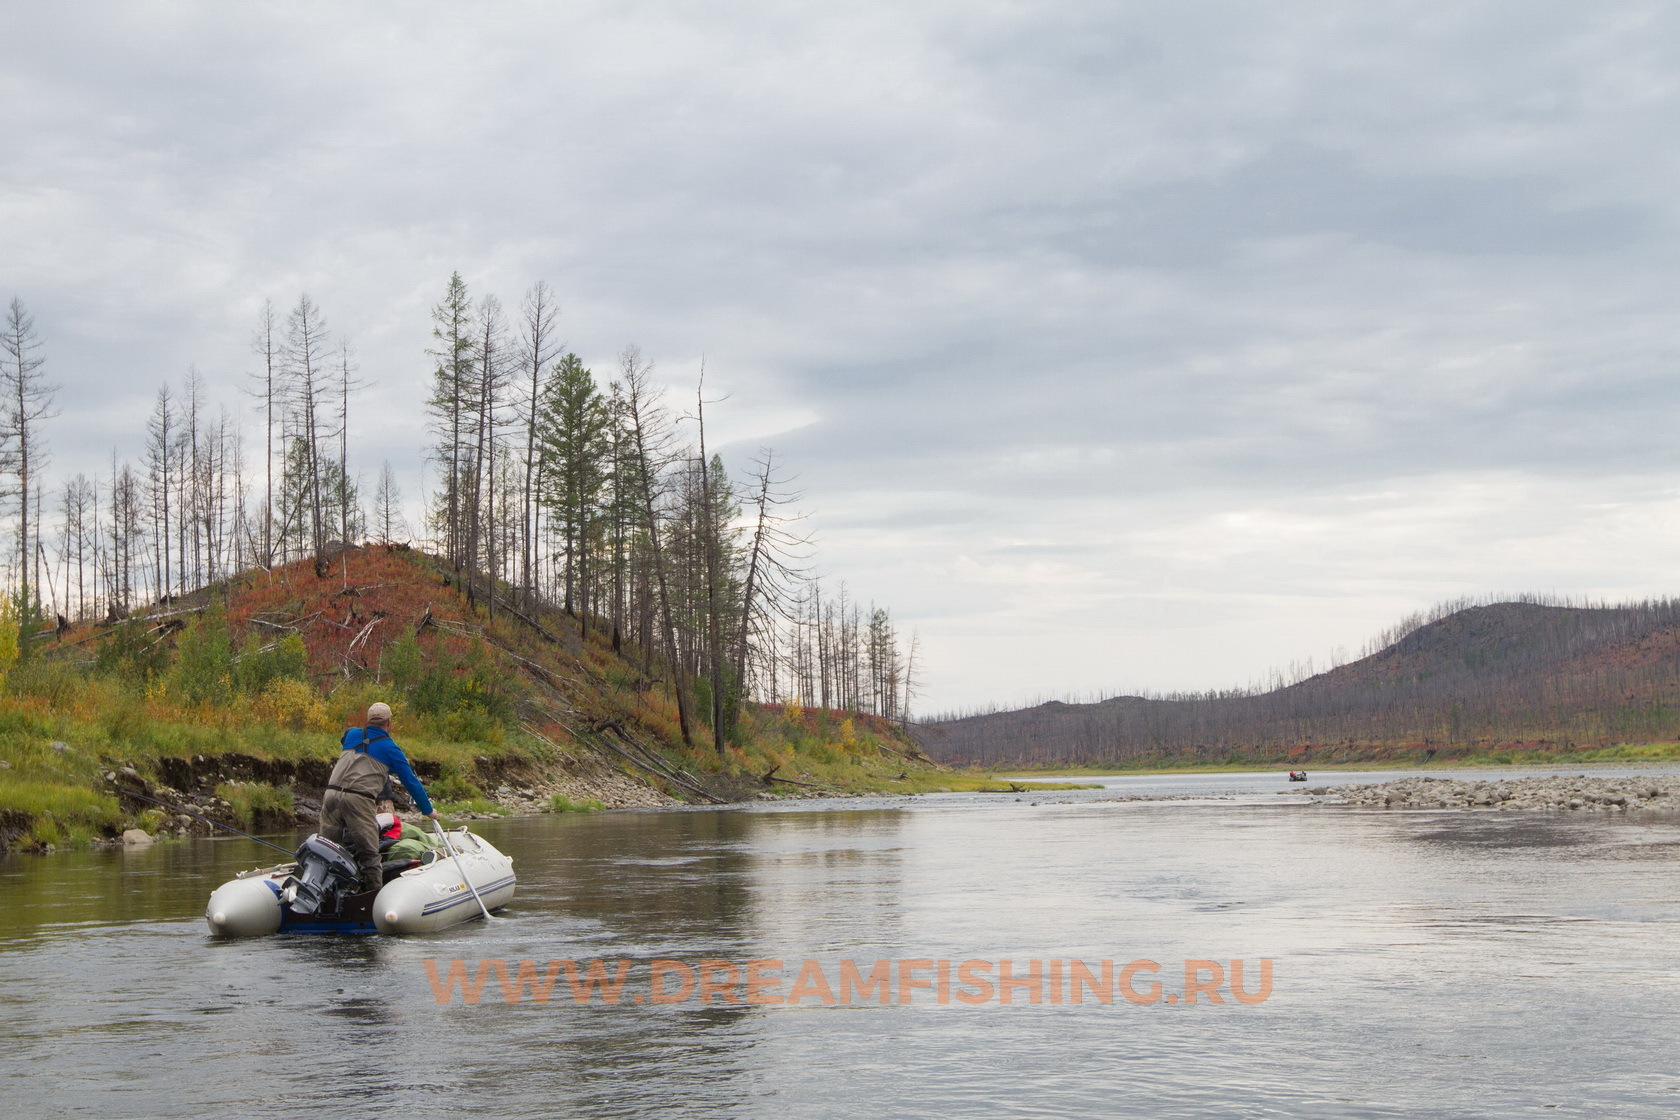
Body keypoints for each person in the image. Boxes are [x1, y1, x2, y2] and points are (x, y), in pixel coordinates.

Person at [320, 702, 438, 893]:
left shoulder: (352, 735)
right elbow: (411, 782)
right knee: (369, 854)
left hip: (330, 795)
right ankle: (374, 898)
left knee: (328, 848)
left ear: (368, 720)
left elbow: (359, 749)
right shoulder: (391, 749)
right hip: (358, 800)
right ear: (389, 722)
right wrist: (428, 810)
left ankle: (325, 893)